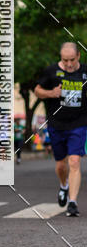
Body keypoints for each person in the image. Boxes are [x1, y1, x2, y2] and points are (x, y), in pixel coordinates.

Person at [34, 41, 87, 216]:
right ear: (61, 58)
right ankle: (64, 185)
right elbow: (37, 90)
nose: (69, 64)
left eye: (72, 59)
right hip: (56, 124)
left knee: (74, 161)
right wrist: (51, 93)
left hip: (78, 123)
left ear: (78, 56)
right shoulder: (51, 71)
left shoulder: (85, 72)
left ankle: (72, 202)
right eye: (65, 60)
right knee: (60, 165)